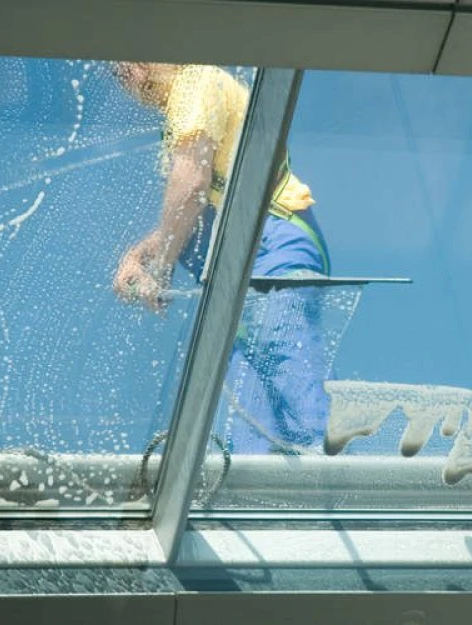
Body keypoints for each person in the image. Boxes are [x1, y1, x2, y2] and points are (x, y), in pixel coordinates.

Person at [112, 62, 332, 454]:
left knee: (290, 383)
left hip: (270, 251)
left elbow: (191, 183)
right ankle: (272, 504)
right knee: (248, 428)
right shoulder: (192, 98)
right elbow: (199, 202)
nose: (123, 74)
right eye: (117, 70)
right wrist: (141, 253)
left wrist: (159, 268)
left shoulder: (195, 82)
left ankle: (333, 487)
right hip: (243, 273)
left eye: (125, 62)